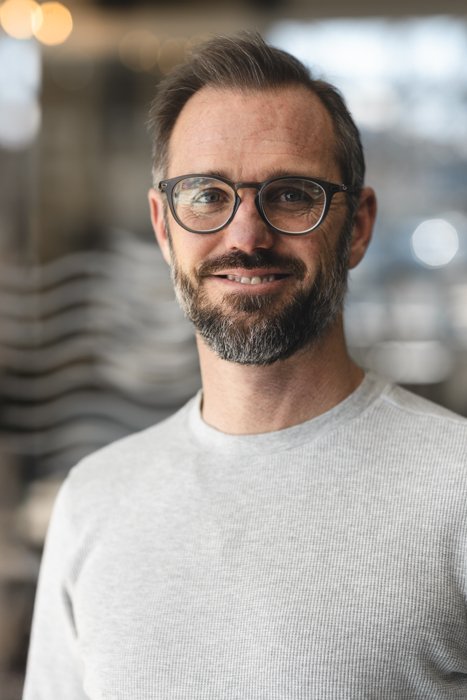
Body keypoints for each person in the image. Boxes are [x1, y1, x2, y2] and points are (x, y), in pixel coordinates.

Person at [23, 33, 467, 700]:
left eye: (289, 194)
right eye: (206, 195)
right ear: (163, 227)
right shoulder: (95, 501)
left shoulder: (454, 487)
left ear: (358, 227)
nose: (244, 236)